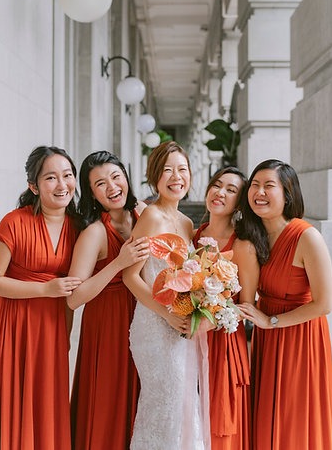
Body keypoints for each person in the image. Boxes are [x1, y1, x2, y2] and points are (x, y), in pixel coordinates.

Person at [0, 145, 82, 450]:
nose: (62, 184)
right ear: (34, 186)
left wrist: (64, 335)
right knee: (9, 408)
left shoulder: (78, 227)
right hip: (9, 329)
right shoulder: (14, 222)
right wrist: (44, 289)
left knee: (45, 409)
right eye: (51, 178)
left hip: (51, 331)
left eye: (67, 175)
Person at [236, 159, 332, 450]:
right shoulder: (254, 236)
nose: (259, 192)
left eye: (269, 185)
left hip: (301, 338)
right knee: (267, 417)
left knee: (295, 418)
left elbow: (324, 303)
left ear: (287, 193)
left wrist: (270, 322)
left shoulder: (307, 236)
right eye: (254, 185)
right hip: (268, 341)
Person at [123, 140, 208, 450]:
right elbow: (130, 276)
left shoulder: (186, 223)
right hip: (154, 326)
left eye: (182, 170)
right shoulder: (151, 217)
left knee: (185, 402)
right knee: (165, 401)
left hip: (182, 327)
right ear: (155, 176)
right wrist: (167, 315)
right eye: (168, 170)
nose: (177, 177)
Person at [67, 151, 150, 450]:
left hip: (145, 315)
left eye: (116, 177)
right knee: (109, 398)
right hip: (108, 322)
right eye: (100, 183)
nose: (112, 187)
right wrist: (118, 263)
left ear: (126, 177)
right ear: (91, 193)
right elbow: (74, 299)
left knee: (143, 396)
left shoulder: (143, 212)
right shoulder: (94, 232)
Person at [194, 167, 259, 449]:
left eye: (230, 190)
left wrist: (215, 318)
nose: (219, 193)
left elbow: (247, 305)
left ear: (239, 202)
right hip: (187, 337)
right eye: (216, 185)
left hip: (223, 342)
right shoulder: (192, 235)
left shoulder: (243, 245)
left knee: (220, 423)